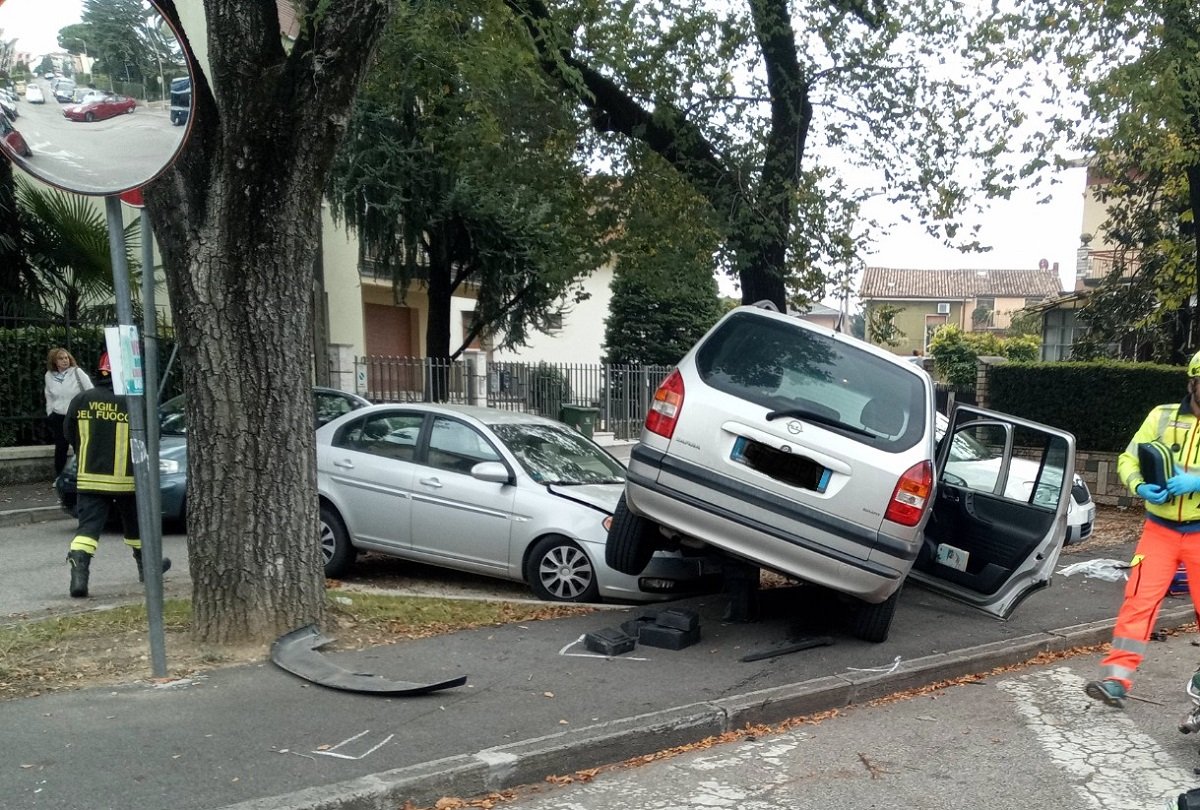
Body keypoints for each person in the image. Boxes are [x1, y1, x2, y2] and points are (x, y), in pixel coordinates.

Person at [1086, 349, 1200, 707]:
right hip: (1159, 530)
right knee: (1138, 602)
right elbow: (1128, 458)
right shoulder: (1162, 417)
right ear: (1193, 382)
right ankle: (1116, 680)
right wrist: (1138, 487)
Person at [63, 352, 170, 598]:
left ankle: (79, 576)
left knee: (87, 529)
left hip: (90, 478)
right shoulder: (134, 402)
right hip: (128, 480)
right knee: (135, 525)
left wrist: (88, 455)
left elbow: (69, 432)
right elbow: (153, 437)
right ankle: (148, 568)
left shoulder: (82, 399)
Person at [43, 347, 92, 478]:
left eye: (66, 358)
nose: (65, 360)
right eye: (61, 358)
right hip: (58, 415)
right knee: (61, 447)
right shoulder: (49, 376)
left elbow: (90, 391)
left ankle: (82, 474)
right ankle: (59, 476)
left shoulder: (77, 372)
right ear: (54, 361)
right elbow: (49, 395)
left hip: (76, 415)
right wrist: (50, 412)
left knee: (79, 445)